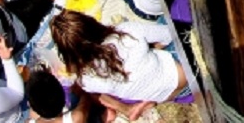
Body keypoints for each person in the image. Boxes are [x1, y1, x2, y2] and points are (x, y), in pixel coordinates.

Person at [49, 9, 188, 106]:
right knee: (169, 18)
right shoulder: (125, 32)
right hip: (184, 77)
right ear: (90, 23)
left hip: (163, 95)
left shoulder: (85, 81)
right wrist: (151, 49)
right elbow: (169, 34)